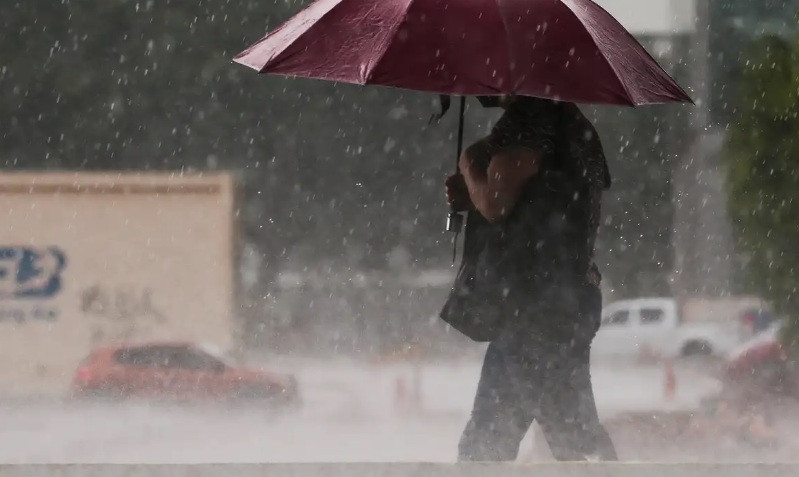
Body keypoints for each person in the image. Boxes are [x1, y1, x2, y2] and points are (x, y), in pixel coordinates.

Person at [444, 95, 617, 461]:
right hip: (564, 300)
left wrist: (469, 166)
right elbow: (541, 204)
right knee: (572, 434)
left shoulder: (531, 118)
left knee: (487, 444)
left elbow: (495, 202)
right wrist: (474, 191)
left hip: (533, 305)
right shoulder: (575, 124)